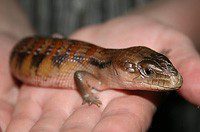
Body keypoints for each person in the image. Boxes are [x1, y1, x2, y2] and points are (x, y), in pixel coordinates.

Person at [0, 0, 200, 131]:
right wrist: (87, 95)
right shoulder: (98, 74)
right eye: (147, 72)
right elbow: (79, 75)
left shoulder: (106, 67)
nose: (153, 77)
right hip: (23, 52)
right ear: (121, 68)